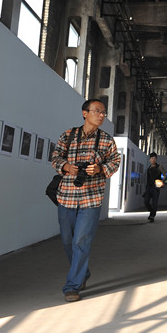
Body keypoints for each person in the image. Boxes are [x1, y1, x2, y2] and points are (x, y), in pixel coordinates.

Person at [50, 99, 122, 303]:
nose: (101, 115)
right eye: (97, 111)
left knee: (81, 241)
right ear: (84, 113)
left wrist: (100, 169)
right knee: (67, 240)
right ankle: (83, 272)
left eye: (103, 112)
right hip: (66, 197)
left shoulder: (106, 140)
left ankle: (72, 286)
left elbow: (115, 161)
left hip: (91, 199)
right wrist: (66, 167)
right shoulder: (68, 135)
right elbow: (55, 157)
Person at [143, 152, 165, 222]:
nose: (153, 160)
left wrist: (161, 182)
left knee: (154, 203)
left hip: (156, 188)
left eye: (155, 158)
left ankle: (152, 216)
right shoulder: (148, 168)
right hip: (149, 188)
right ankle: (152, 211)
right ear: (149, 159)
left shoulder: (159, 167)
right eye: (152, 158)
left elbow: (165, 175)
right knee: (146, 201)